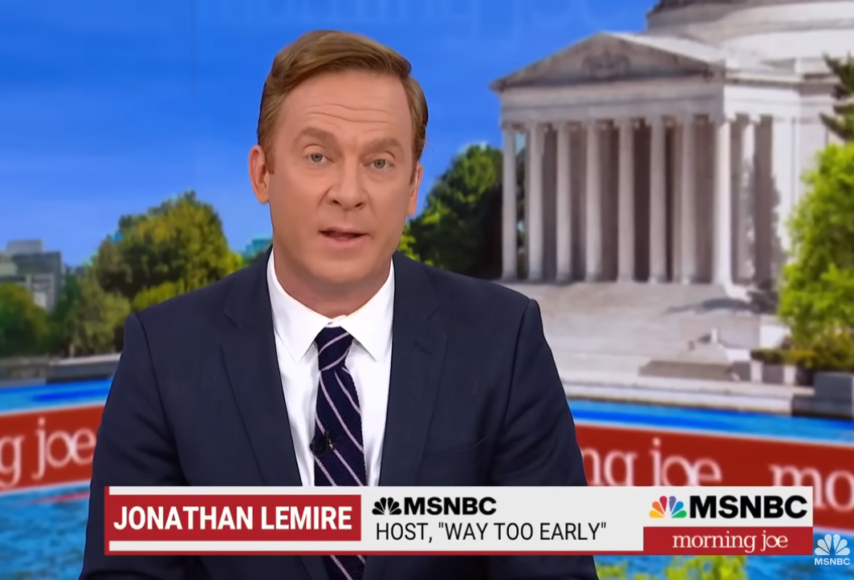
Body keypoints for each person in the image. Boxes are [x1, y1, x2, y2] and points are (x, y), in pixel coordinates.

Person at [81, 29, 597, 580]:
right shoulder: (165, 355)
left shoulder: (504, 341)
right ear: (262, 173)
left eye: (380, 163)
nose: (349, 193)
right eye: (318, 156)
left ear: (412, 188)